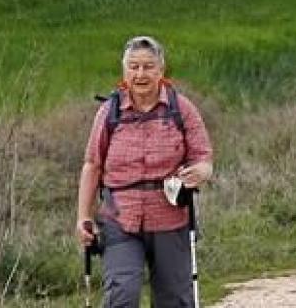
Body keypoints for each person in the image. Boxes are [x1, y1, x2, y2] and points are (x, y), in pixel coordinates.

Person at [76, 35, 214, 308]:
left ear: (161, 71)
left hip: (170, 219)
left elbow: (203, 158)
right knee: (122, 295)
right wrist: (83, 217)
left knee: (174, 299)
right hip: (120, 219)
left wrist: (201, 171)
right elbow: (92, 165)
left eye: (148, 67)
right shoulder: (109, 112)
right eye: (134, 67)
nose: (141, 74)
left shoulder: (181, 108)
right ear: (124, 72)